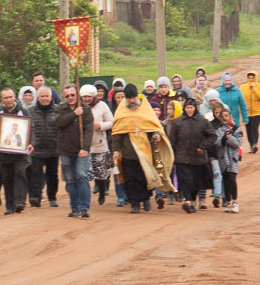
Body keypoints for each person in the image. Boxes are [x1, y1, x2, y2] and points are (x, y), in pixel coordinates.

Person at [108, 84, 166, 214]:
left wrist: (156, 135)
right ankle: (134, 204)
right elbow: (116, 133)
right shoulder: (121, 112)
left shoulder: (145, 109)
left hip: (144, 151)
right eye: (129, 98)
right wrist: (116, 150)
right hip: (127, 153)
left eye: (133, 98)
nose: (132, 101)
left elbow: (153, 126)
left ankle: (145, 199)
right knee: (130, 180)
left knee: (144, 177)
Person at [169, 95, 214, 212]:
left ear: (195, 108)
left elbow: (212, 136)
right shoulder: (177, 122)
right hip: (182, 157)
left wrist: (202, 146)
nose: (189, 110)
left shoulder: (202, 121)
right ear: (184, 109)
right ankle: (187, 201)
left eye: (191, 108)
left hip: (197, 158)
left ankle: (192, 202)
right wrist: (172, 156)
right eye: (187, 108)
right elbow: (172, 141)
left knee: (195, 182)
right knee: (185, 180)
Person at [55, 84, 93, 218]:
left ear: (77, 95)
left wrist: (85, 148)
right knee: (70, 180)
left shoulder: (86, 109)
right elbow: (58, 123)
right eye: (67, 96)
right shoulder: (60, 109)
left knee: (81, 175)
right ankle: (75, 207)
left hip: (81, 151)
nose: (70, 98)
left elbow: (89, 130)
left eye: (72, 95)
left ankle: (84, 207)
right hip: (65, 150)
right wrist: (74, 114)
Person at [0, 88, 31, 213]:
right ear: (2, 100)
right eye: (5, 98)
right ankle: (9, 205)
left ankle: (20, 201)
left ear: (14, 97)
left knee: (20, 173)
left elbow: (30, 129)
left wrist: (31, 144)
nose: (8, 100)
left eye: (10, 97)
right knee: (7, 178)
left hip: (19, 152)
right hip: (4, 152)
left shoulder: (23, 111)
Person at [30, 85, 62, 208]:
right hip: (36, 149)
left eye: (47, 96)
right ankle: (36, 197)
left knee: (52, 174)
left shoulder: (58, 110)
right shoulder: (31, 111)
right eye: (42, 96)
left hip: (53, 148)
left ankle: (52, 197)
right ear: (38, 97)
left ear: (51, 97)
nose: (45, 98)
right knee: (36, 174)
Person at [210, 100, 244, 213]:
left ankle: (235, 201)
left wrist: (229, 138)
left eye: (226, 116)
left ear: (230, 116)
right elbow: (217, 143)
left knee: (232, 179)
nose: (224, 118)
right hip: (222, 159)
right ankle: (228, 202)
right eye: (222, 116)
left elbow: (238, 143)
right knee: (225, 181)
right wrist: (224, 139)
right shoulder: (219, 129)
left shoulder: (236, 129)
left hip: (233, 159)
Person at [87, 83, 115, 208]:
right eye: (84, 96)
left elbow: (111, 121)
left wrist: (101, 126)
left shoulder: (102, 105)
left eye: (89, 96)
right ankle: (84, 197)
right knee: (86, 172)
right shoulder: (80, 107)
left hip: (100, 142)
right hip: (84, 145)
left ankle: (102, 191)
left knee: (101, 172)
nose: (87, 99)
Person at [239, 71, 260, 149]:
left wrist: (254, 89)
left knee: (254, 128)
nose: (251, 79)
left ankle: (255, 144)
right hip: (247, 112)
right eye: (250, 78)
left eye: (252, 78)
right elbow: (241, 99)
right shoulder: (243, 87)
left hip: (257, 112)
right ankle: (251, 145)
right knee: (248, 130)